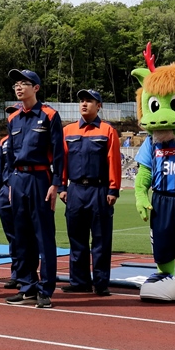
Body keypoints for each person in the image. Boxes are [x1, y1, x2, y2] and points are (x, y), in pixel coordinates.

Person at [5, 69, 64, 309]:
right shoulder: (13, 118)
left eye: (24, 83)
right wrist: (10, 182)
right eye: (16, 84)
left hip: (40, 179)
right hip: (18, 179)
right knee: (22, 237)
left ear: (36, 88)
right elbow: (9, 155)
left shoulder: (50, 115)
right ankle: (27, 286)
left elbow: (59, 153)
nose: (19, 87)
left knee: (43, 236)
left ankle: (45, 289)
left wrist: (56, 183)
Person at [58, 90, 121, 296]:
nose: (84, 104)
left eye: (89, 101)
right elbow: (62, 161)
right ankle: (79, 281)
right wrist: (62, 187)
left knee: (101, 240)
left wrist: (113, 189)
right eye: (82, 101)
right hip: (75, 190)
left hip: (99, 190)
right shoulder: (67, 131)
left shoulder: (107, 130)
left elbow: (114, 161)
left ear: (99, 106)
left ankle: (101, 283)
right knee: (77, 239)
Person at [0, 104, 23, 290]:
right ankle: (16, 273)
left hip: (22, 189)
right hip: (5, 192)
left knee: (25, 235)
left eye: (15, 113)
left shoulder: (30, 137)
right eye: (9, 115)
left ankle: (26, 274)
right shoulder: (3, 142)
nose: (11, 117)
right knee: (12, 237)